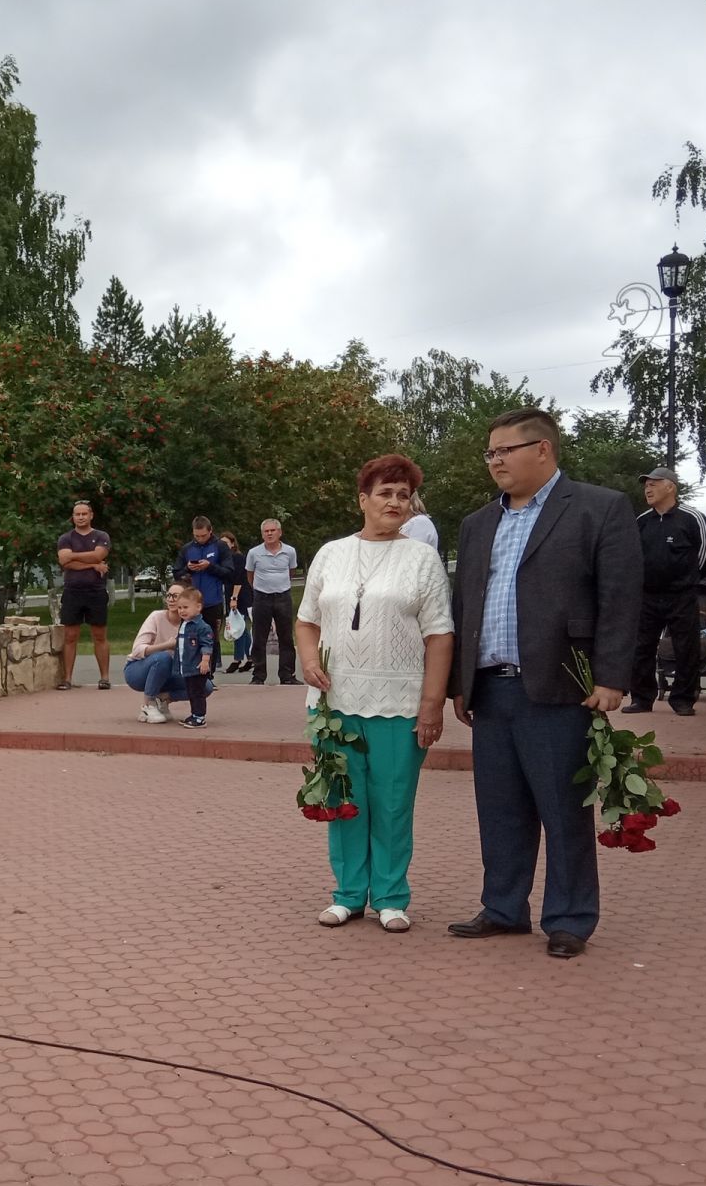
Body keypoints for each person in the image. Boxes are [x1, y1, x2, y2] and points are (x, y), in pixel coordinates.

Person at [448, 407, 641, 960]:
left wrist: (610, 677)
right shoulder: (479, 522)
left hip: (563, 686)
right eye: (490, 453)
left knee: (562, 807)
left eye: (505, 450)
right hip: (491, 687)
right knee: (500, 808)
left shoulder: (598, 508)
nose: (495, 462)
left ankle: (569, 917)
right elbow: (467, 603)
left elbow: (621, 599)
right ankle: (504, 908)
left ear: (543, 450)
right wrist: (462, 682)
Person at [295, 455, 454, 934]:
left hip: (399, 704)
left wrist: (432, 703)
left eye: (403, 495)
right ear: (363, 499)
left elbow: (440, 635)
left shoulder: (421, 558)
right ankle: (347, 895)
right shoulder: (331, 553)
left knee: (391, 802)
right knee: (344, 798)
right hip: (333, 703)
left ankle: (390, 897)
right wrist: (307, 662)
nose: (395, 502)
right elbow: (306, 620)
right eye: (385, 493)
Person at [626, 466, 706, 718]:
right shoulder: (642, 521)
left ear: (670, 487)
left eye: (654, 483)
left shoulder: (692, 518)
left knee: (686, 648)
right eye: (646, 484)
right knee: (641, 646)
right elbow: (632, 556)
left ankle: (683, 699)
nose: (648, 488)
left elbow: (704, 554)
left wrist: (687, 580)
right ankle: (641, 697)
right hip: (648, 596)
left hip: (681, 595)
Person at [55, 500, 112, 690]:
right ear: (73, 517)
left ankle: (104, 677)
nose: (80, 517)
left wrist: (75, 556)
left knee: (99, 635)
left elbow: (98, 555)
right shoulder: (65, 538)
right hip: (72, 592)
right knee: (70, 636)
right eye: (77, 514)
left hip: (96, 591)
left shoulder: (101, 536)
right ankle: (68, 678)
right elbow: (64, 561)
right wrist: (92, 564)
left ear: (91, 515)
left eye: (84, 514)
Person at [125, 581, 194, 722]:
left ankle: (163, 699)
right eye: (168, 595)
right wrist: (166, 645)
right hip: (138, 670)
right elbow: (137, 650)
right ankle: (148, 705)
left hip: (170, 672)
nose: (170, 599)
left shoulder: (191, 625)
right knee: (163, 657)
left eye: (175, 596)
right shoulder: (156, 617)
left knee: (206, 686)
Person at [244, 519, 301, 685]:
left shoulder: (290, 551)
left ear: (279, 532)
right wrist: (260, 588)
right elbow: (250, 576)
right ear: (262, 534)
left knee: (286, 638)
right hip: (262, 598)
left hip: (283, 597)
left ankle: (287, 675)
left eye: (272, 530)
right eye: (266, 531)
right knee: (259, 637)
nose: (269, 534)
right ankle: (258, 676)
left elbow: (291, 571)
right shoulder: (254, 553)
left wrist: (280, 585)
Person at [174, 517, 227, 654]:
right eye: (197, 536)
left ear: (210, 531)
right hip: (190, 603)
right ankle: (189, 670)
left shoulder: (220, 546)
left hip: (212, 602)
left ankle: (210, 672)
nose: (200, 539)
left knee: (211, 639)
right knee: (189, 638)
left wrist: (210, 566)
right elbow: (177, 573)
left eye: (203, 536)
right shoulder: (187, 548)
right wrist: (188, 569)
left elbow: (229, 572)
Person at [174, 598, 216, 729]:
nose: (182, 611)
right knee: (191, 692)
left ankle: (200, 717)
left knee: (197, 692)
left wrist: (205, 661)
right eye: (180, 608)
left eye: (185, 607)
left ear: (198, 607)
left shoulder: (202, 627)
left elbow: (207, 644)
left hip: (198, 667)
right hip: (187, 666)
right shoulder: (185, 624)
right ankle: (194, 714)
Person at [220, 531, 253, 672]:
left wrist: (234, 598)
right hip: (229, 595)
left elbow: (239, 580)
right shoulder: (223, 560)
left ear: (232, 543)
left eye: (226, 543)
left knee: (237, 627)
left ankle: (237, 659)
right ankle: (252, 658)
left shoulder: (238, 558)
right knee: (241, 628)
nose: (224, 546)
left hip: (240, 595)